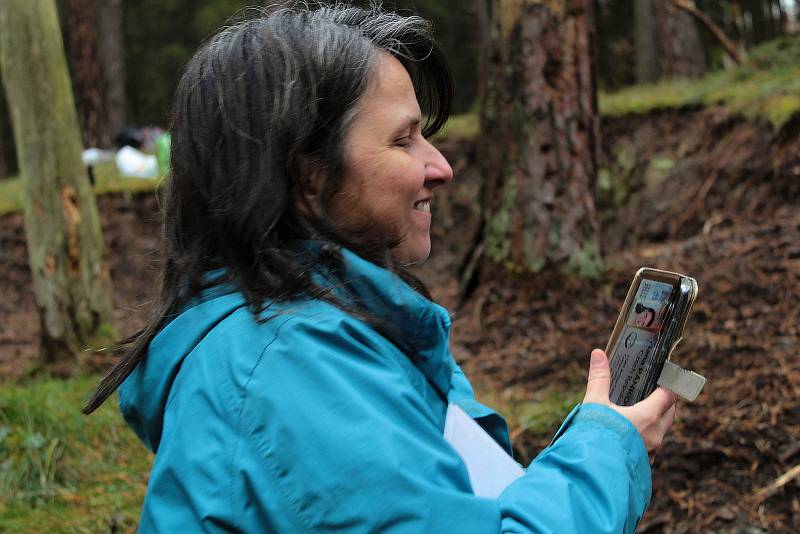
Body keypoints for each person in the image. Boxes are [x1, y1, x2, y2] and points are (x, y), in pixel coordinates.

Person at [84, 4, 677, 532]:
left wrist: (593, 437)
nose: (441, 167)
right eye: (404, 140)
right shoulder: (289, 370)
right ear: (308, 174)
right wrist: (606, 450)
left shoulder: (326, 327)